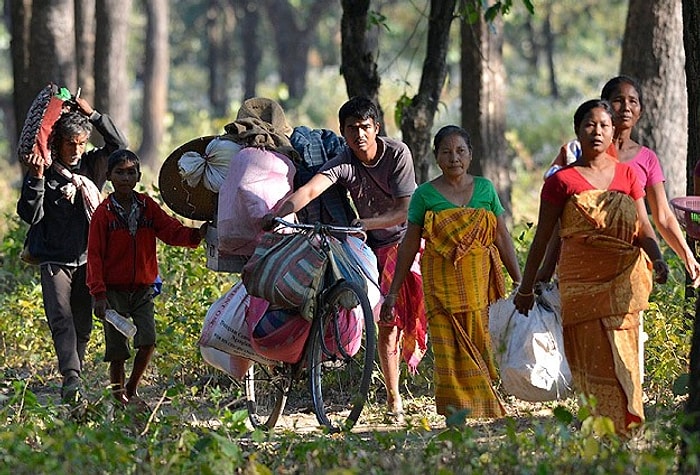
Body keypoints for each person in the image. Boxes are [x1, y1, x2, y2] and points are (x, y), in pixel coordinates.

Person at [264, 96, 427, 422]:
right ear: (343, 132)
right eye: (351, 129)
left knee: (409, 318)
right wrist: (277, 215)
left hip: (405, 242)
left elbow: (406, 210)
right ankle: (394, 400)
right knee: (385, 323)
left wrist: (366, 223)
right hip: (370, 250)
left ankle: (432, 388)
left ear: (376, 128)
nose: (359, 135)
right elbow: (310, 191)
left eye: (365, 127)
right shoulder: (343, 162)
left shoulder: (397, 154)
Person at [514, 99, 669, 434]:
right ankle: (601, 435)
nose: (596, 131)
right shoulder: (561, 182)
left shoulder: (628, 175)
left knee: (627, 360)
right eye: (589, 124)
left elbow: (643, 226)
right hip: (580, 287)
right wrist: (526, 288)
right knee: (591, 363)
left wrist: (657, 258)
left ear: (614, 132)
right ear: (577, 131)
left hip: (622, 284)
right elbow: (542, 239)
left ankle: (627, 431)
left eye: (603, 125)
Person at [378, 125, 521, 420]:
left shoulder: (485, 189)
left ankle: (483, 412)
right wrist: (393, 292)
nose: (453, 157)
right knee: (447, 353)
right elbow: (409, 245)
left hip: (478, 284)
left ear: (470, 155)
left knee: (479, 344)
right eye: (446, 151)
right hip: (440, 286)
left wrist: (520, 280)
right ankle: (456, 415)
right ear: (436, 157)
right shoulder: (424, 195)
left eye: (460, 151)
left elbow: (501, 236)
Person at [16, 97, 128, 403]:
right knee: (61, 318)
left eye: (81, 143)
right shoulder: (46, 172)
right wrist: (37, 179)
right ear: (57, 143)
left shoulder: (93, 167)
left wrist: (92, 114)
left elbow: (120, 144)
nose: (76, 150)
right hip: (54, 259)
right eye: (70, 144)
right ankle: (72, 378)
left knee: (83, 323)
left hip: (88, 259)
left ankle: (73, 376)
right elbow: (30, 215)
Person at [541, 75, 700, 285]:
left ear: (640, 111)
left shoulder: (647, 159)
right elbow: (555, 217)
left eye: (633, 101)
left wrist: (686, 254)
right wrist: (546, 268)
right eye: (618, 100)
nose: (626, 107)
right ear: (604, 106)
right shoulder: (578, 152)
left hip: (627, 264)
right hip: (579, 264)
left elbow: (661, 216)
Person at [86, 149, 206, 406]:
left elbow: (170, 230)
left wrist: (196, 235)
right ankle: (119, 396)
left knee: (147, 340)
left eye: (131, 173)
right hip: (113, 291)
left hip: (143, 288)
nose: (126, 178)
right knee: (117, 350)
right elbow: (94, 256)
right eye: (120, 172)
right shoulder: (103, 214)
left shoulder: (146, 207)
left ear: (139, 176)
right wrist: (98, 294)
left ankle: (132, 388)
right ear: (109, 176)